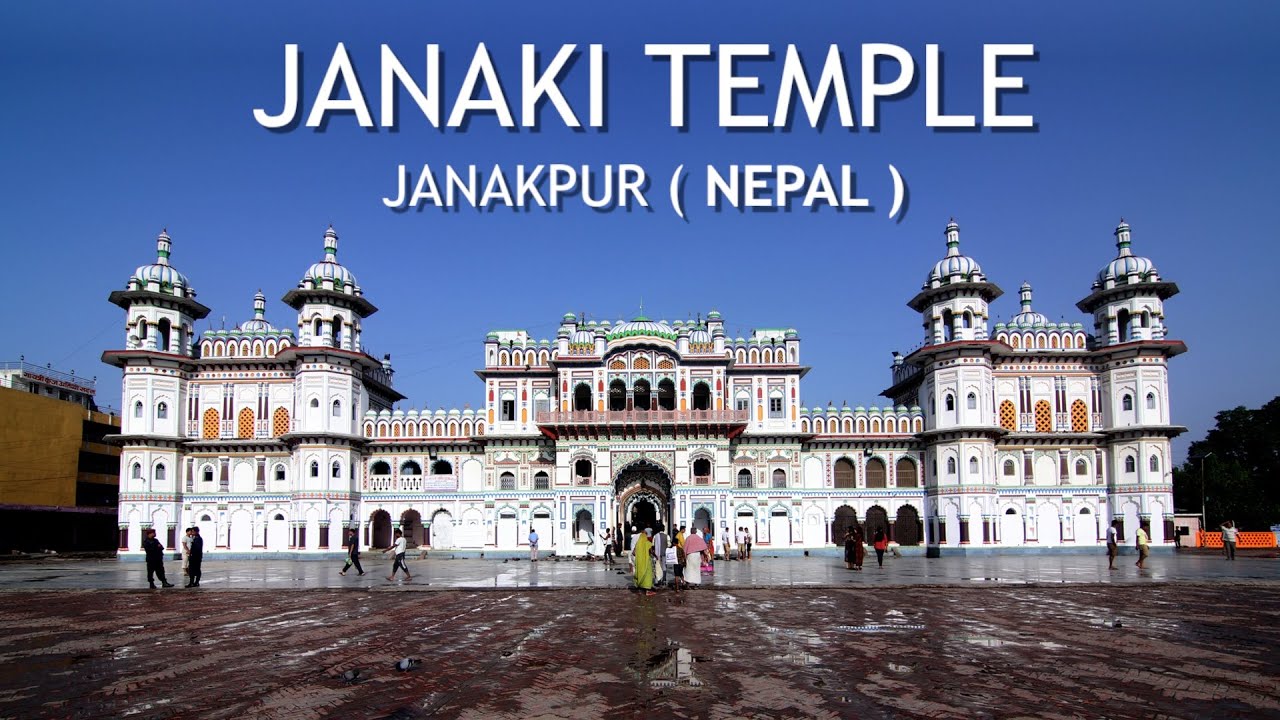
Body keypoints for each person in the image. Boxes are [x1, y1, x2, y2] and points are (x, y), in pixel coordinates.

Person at [633, 528, 656, 596]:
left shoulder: (637, 544)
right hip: (647, 562)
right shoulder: (648, 543)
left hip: (639, 562)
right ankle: (648, 591)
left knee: (640, 574)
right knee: (647, 576)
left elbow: (634, 553)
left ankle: (640, 589)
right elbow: (651, 551)